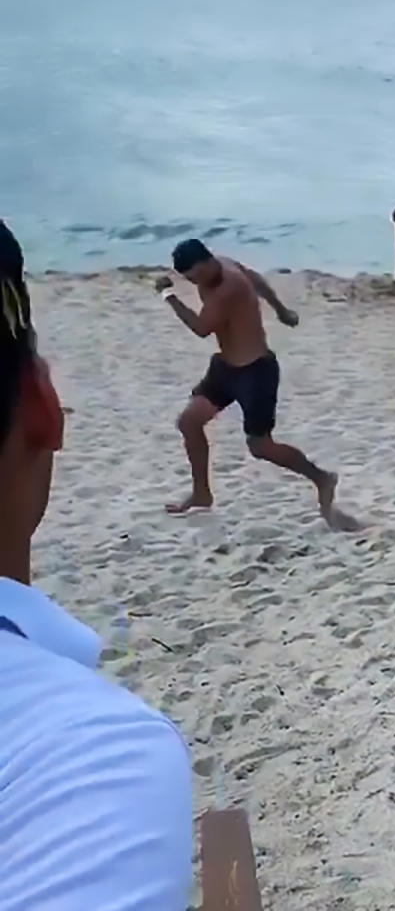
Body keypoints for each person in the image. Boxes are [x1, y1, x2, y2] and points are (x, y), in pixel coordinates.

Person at [0, 220, 193, 909]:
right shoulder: (98, 757)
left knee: (212, 429)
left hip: (250, 368)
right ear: (44, 410)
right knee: (198, 425)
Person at [158, 239, 349, 526]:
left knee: (260, 447)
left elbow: (200, 328)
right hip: (225, 368)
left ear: (206, 262)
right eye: (188, 279)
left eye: (194, 277)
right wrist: (281, 309)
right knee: (189, 421)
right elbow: (256, 278)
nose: (193, 282)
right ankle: (201, 494)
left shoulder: (227, 287)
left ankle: (322, 478)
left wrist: (169, 296)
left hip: (255, 372)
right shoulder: (223, 262)